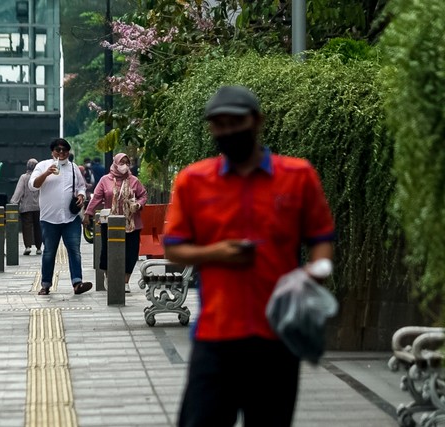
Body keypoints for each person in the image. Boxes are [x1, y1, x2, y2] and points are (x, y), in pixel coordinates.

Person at [163, 86, 335, 427]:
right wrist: (217, 253)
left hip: (276, 338)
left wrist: (315, 273)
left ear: (257, 121)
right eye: (219, 124)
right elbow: (174, 248)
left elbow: (321, 238)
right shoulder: (193, 181)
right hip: (215, 335)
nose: (227, 131)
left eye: (235, 122)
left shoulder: (298, 176)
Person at [29, 138, 93, 296]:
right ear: (52, 152)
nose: (62, 153)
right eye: (58, 150)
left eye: (65, 150)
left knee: (74, 250)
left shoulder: (73, 168)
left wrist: (80, 195)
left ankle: (77, 282)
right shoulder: (42, 165)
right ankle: (45, 284)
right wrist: (47, 173)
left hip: (70, 217)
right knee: (49, 252)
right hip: (49, 218)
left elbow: (80, 186)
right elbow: (33, 185)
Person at [83, 153, 147, 293]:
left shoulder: (134, 181)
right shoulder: (105, 180)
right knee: (107, 251)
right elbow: (97, 198)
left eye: (127, 162)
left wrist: (138, 204)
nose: (124, 165)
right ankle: (108, 276)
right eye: (121, 162)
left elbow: (143, 195)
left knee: (131, 252)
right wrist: (88, 213)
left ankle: (125, 281)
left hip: (131, 222)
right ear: (115, 163)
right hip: (110, 222)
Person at [10, 158, 42, 255]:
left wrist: (13, 203)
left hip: (26, 207)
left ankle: (28, 246)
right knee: (38, 227)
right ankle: (38, 248)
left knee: (27, 227)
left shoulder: (24, 177)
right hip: (39, 207)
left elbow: (19, 191)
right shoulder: (40, 177)